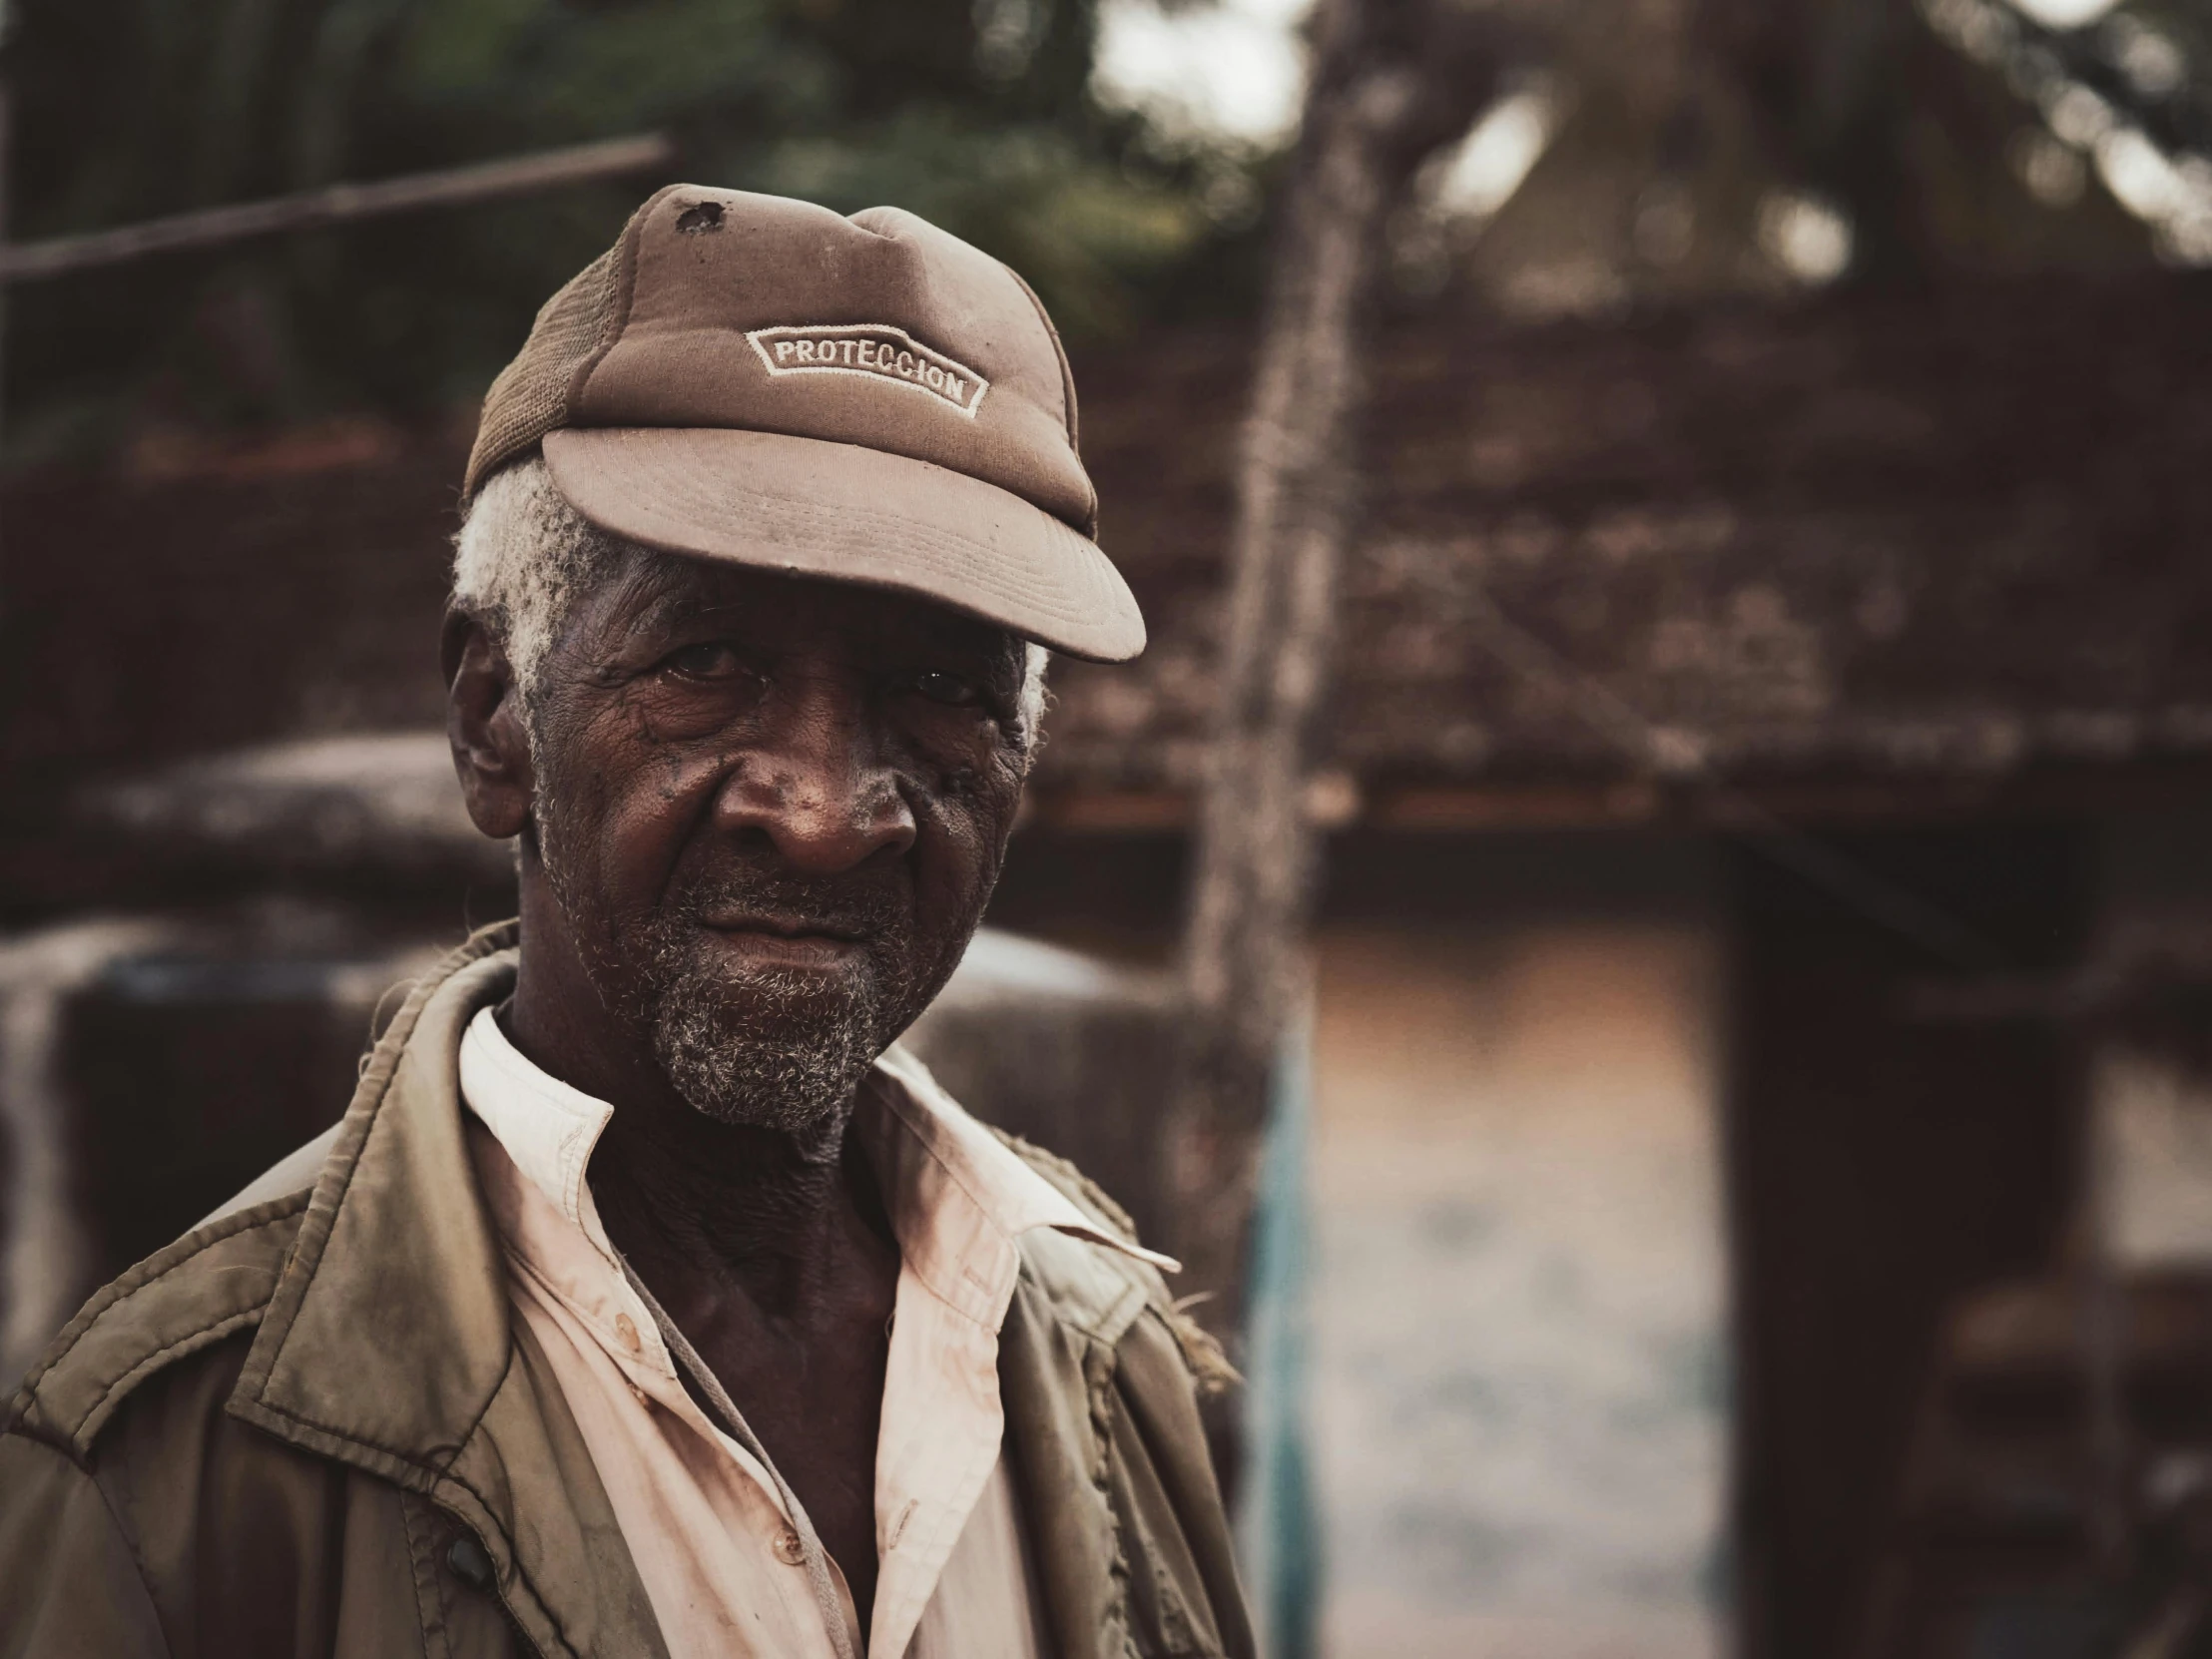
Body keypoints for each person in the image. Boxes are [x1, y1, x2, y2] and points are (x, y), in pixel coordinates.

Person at [0, 186, 1251, 1659]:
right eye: (706, 659)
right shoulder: (173, 1461)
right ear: (493, 722)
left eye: (941, 687)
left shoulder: (1107, 1357)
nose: (830, 808)